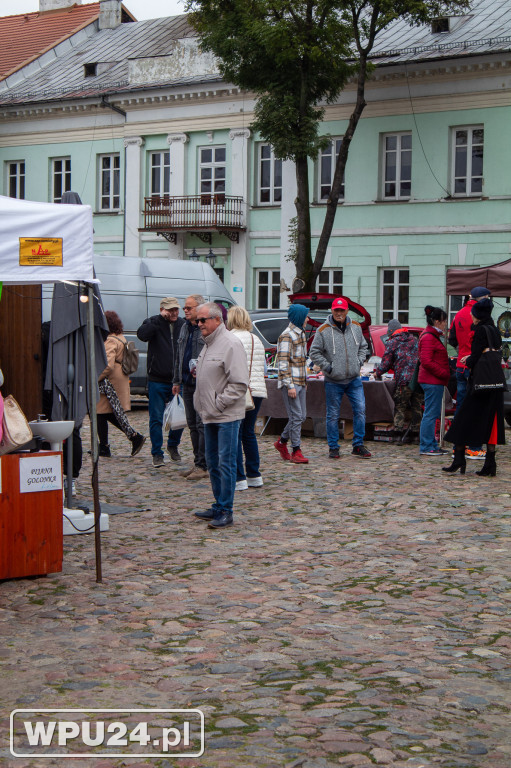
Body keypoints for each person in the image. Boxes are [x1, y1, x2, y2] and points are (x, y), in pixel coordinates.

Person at [193, 302, 249, 529]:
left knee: (226, 463)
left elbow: (239, 384)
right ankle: (219, 505)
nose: (199, 324)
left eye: (202, 320)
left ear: (217, 320)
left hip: (226, 415)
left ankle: (226, 510)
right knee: (214, 463)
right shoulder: (208, 344)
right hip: (209, 414)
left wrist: (218, 403)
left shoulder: (230, 344)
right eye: (197, 320)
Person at [443, 297, 505, 476]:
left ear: (478, 315)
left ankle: (459, 458)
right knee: (492, 422)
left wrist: (466, 360)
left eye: (473, 312)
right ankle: (490, 463)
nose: (470, 314)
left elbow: (476, 355)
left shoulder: (480, 330)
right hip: (494, 382)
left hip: (480, 383)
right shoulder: (494, 329)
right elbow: (496, 348)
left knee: (463, 417)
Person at [309, 297, 371, 459]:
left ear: (346, 311)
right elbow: (314, 352)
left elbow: (363, 347)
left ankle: (358, 445)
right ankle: (333, 447)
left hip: (353, 379)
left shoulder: (356, 327)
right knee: (333, 415)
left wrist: (358, 362)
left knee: (360, 410)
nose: (339, 313)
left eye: (342, 310)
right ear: (332, 310)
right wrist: (328, 367)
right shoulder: (323, 330)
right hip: (333, 380)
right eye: (336, 310)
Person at [137, 297, 185, 468]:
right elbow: (142, 335)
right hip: (157, 378)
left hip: (177, 379)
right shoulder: (153, 322)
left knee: (179, 417)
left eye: (176, 309)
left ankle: (173, 445)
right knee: (156, 418)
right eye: (170, 310)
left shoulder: (183, 324)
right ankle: (157, 453)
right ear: (162, 309)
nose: (174, 313)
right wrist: (158, 320)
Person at [226, 306, 267, 490]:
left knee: (235, 433)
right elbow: (264, 368)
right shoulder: (255, 338)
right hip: (256, 390)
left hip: (239, 390)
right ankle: (254, 474)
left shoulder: (230, 338)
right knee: (248, 433)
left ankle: (238, 477)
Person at [448, 286, 491, 460]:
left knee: (461, 407)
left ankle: (457, 445)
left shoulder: (458, 314)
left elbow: (451, 338)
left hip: (460, 365)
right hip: (475, 366)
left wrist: (462, 352)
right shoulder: (482, 316)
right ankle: (474, 447)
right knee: (477, 408)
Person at [97, 310, 145, 457]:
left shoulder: (110, 340)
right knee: (106, 413)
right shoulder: (120, 336)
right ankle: (104, 446)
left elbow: (108, 364)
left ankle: (133, 436)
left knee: (101, 413)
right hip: (119, 379)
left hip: (110, 381)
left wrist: (95, 377)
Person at [172, 294, 208, 481]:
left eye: (189, 308)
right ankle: (197, 463)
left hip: (203, 384)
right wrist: (176, 381)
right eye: (185, 307)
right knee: (192, 424)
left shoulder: (205, 329)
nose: (185, 310)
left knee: (202, 425)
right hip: (187, 383)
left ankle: (203, 465)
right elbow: (179, 355)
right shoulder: (184, 328)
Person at [374, 319, 423, 443]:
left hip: (404, 380)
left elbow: (385, 363)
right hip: (418, 379)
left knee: (400, 406)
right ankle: (416, 437)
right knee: (417, 407)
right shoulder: (414, 339)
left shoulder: (393, 342)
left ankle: (397, 437)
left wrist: (377, 373)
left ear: (390, 331)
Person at [274, 303, 310, 464]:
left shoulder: (301, 334)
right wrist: (289, 385)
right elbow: (282, 363)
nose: (308, 319)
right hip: (292, 382)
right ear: (300, 318)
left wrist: (305, 380)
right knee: (296, 416)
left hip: (300, 381)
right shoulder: (287, 335)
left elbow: (301, 360)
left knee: (301, 416)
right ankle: (296, 450)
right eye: (306, 316)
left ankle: (282, 442)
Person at [418, 305, 450, 456]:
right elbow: (426, 361)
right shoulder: (429, 337)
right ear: (437, 322)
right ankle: (426, 445)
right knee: (431, 413)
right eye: (444, 321)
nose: (445, 324)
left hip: (433, 380)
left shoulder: (432, 336)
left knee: (432, 413)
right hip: (432, 380)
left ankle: (431, 444)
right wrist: (443, 373)